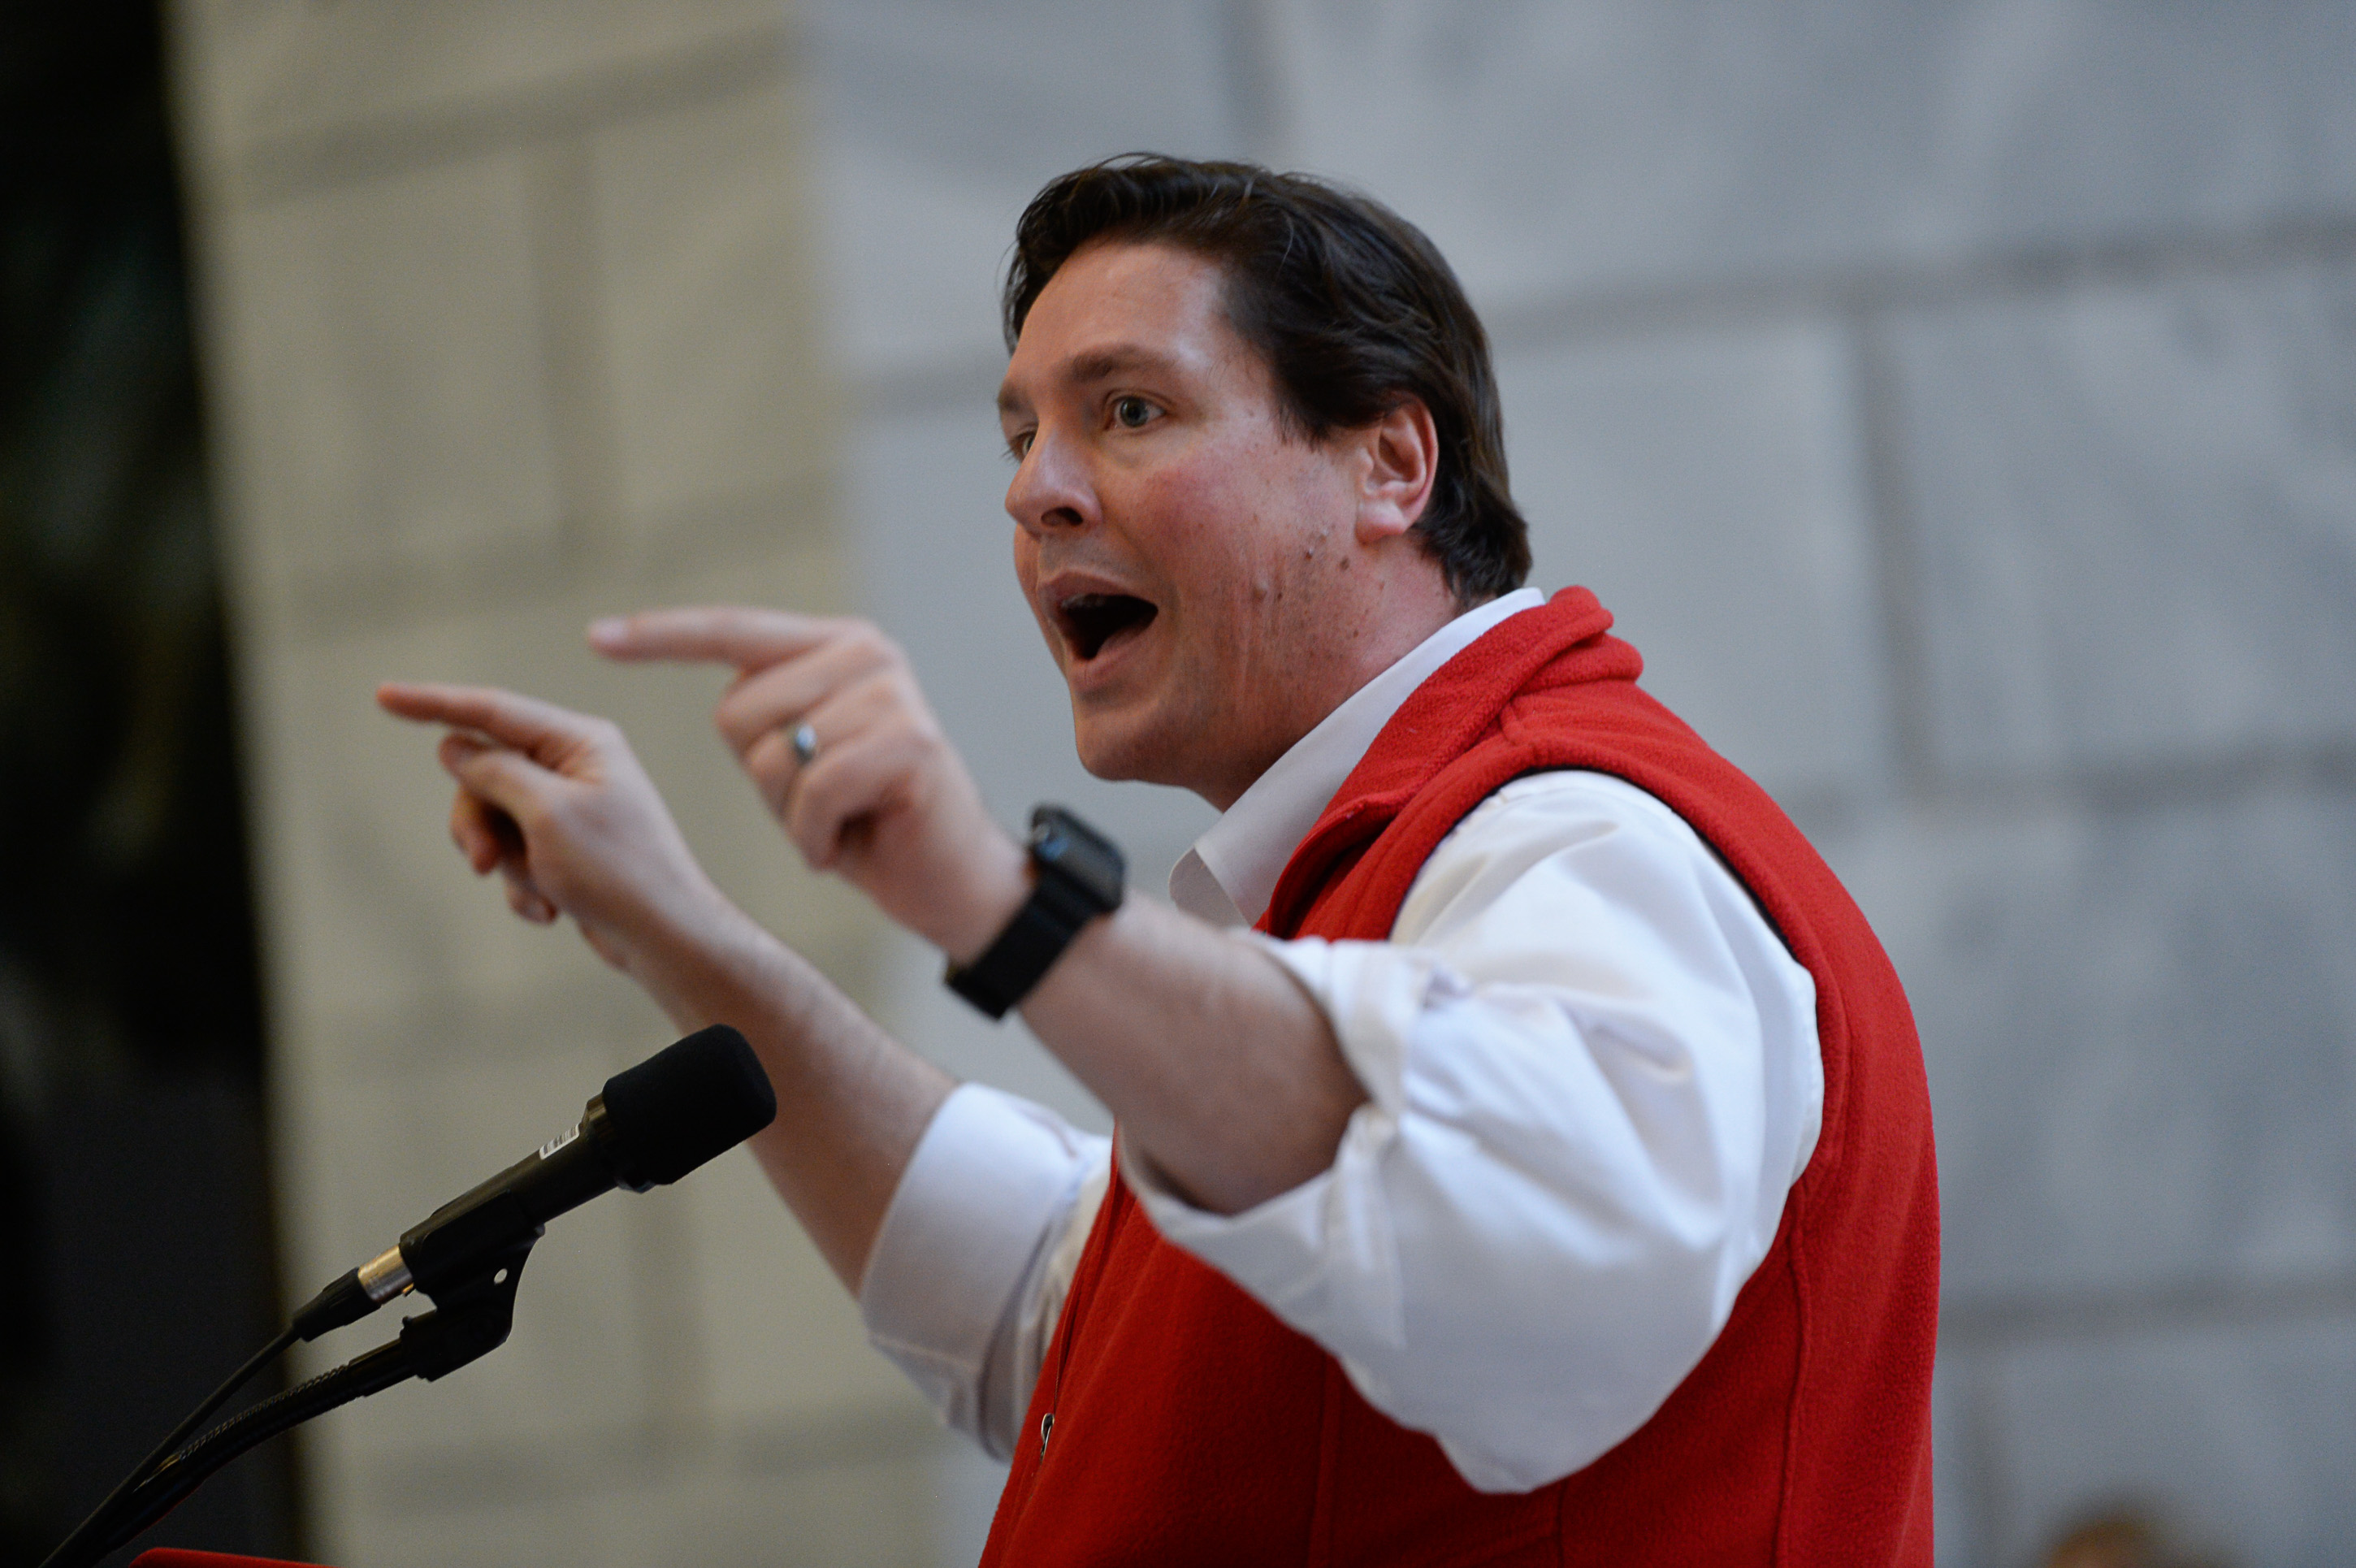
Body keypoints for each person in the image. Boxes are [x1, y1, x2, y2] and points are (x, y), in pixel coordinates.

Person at [378, 156, 1938, 1565]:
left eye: (1128, 411)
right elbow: (1079, 1334)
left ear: (1391, 465)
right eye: (1021, 434)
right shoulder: (1379, 869)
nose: (1032, 489)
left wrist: (990, 897)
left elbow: (1535, 1267)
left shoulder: (1582, 834)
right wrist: (674, 928)